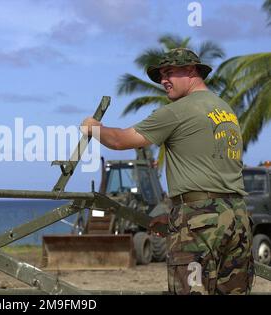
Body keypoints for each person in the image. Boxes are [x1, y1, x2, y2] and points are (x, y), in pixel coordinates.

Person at [81, 48, 254, 295]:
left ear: (192, 70)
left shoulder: (179, 110)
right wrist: (176, 213)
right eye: (161, 75)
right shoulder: (224, 110)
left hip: (199, 222)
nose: (164, 81)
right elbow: (211, 174)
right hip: (236, 218)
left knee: (190, 290)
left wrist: (94, 128)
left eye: (170, 73)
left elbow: (120, 141)